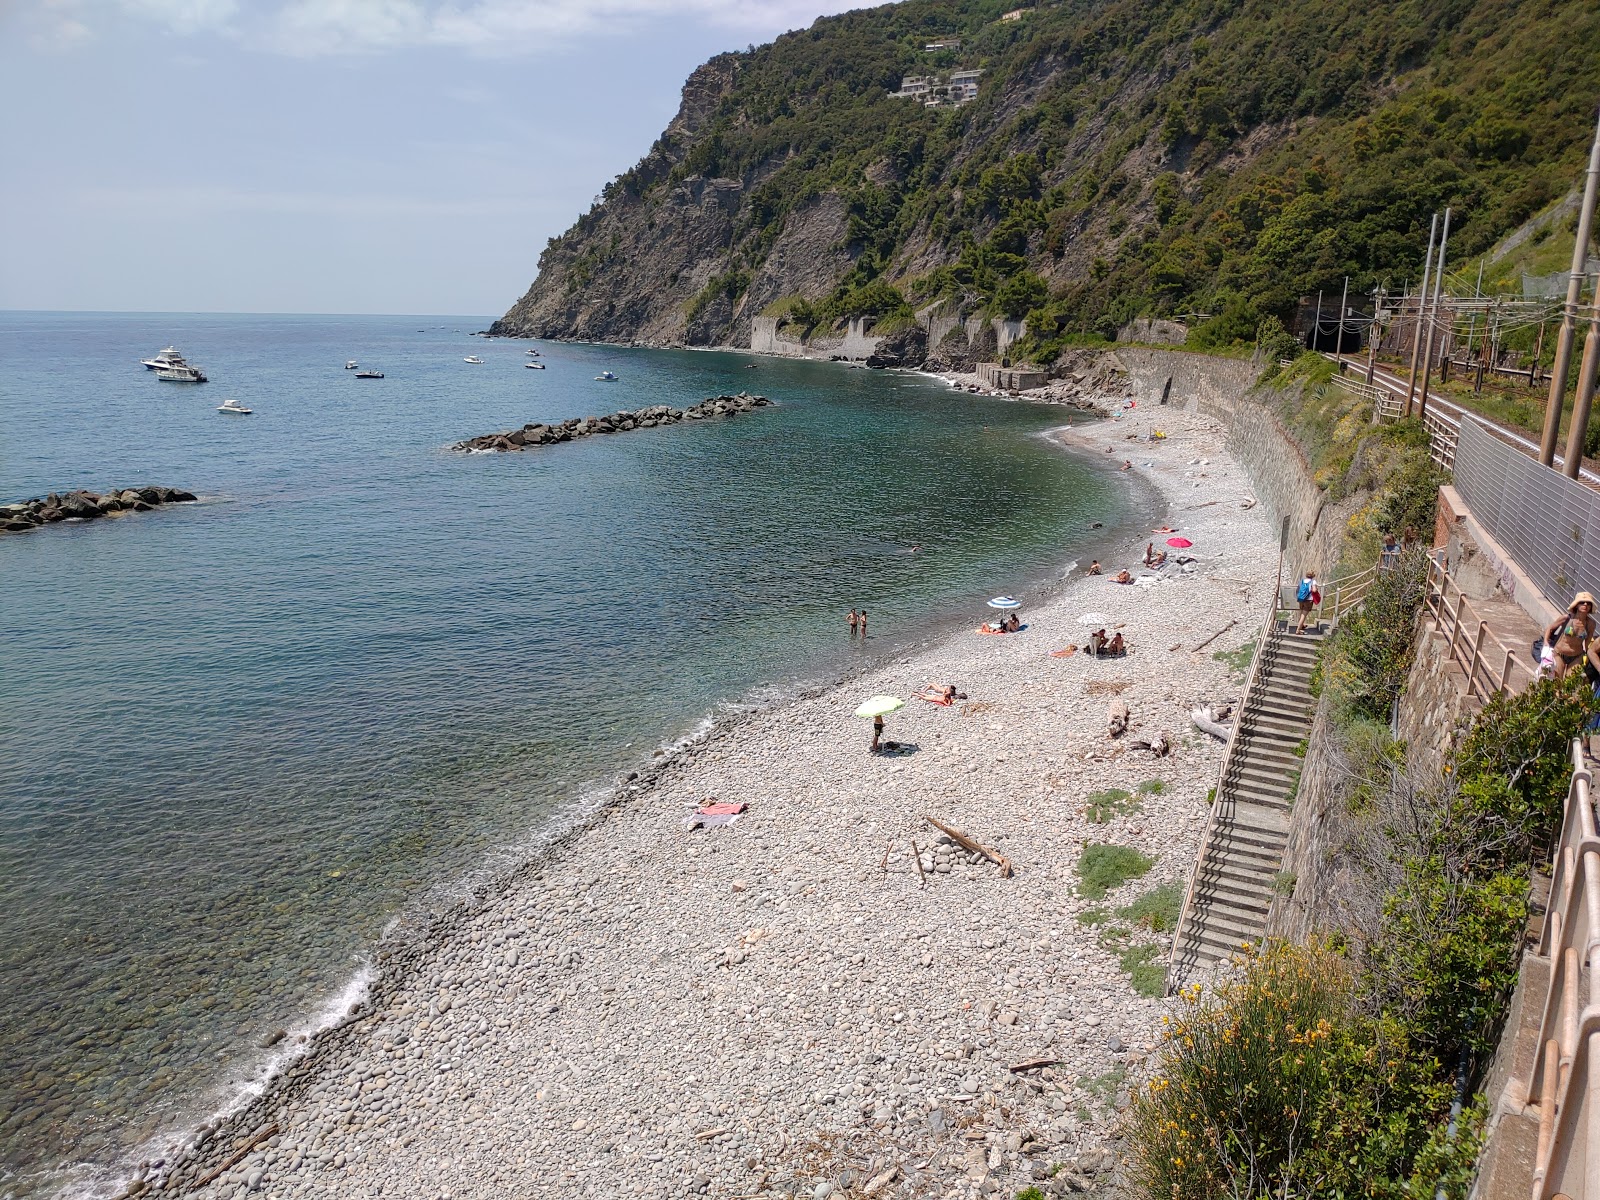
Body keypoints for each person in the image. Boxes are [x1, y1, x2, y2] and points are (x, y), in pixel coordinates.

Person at [1546, 593, 1596, 681]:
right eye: (1582, 602)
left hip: (1576, 657)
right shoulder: (1567, 618)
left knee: (1569, 685)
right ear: (1576, 605)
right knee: (1556, 683)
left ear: (1590, 607)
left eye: (1588, 603)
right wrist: (1546, 643)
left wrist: (1586, 658)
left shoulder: (1590, 624)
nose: (1585, 604)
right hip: (1559, 654)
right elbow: (1550, 628)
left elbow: (1588, 643)